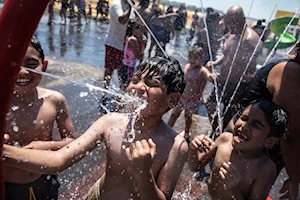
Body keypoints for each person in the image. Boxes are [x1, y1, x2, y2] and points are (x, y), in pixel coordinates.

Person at [3, 56, 188, 200]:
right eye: (136, 79)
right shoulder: (111, 123)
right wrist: (5, 152)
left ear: (173, 100)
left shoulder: (176, 146)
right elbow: (60, 159)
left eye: (151, 83)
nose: (138, 87)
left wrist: (143, 174)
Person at [4, 36, 76, 200]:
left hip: (44, 181)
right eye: (14, 64)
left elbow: (72, 142)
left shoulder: (55, 100)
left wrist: (43, 146)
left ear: (44, 66)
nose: (22, 72)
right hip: (7, 188)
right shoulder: (2, 103)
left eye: (31, 65)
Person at [229, 41, 300, 199]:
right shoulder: (293, 73)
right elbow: (290, 137)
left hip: (247, 145)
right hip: (248, 151)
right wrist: (295, 180)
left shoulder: (289, 59)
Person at [188, 99, 288, 199]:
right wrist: (193, 149)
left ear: (269, 142)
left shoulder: (264, 168)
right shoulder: (225, 139)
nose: (245, 126)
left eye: (255, 125)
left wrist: (233, 191)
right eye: (244, 118)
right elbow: (195, 166)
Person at [205, 5, 263, 135]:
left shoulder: (249, 41)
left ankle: (224, 136)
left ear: (243, 20)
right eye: (228, 23)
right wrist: (215, 62)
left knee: (229, 115)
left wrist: (222, 78)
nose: (230, 27)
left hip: (238, 87)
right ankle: (217, 132)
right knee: (210, 105)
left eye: (232, 23)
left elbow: (249, 75)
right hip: (224, 81)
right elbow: (227, 54)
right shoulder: (233, 34)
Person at [168, 45, 218, 141]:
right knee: (174, 114)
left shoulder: (202, 70)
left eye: (195, 58)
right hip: (181, 97)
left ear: (201, 57)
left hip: (192, 100)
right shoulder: (187, 66)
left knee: (188, 116)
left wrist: (212, 76)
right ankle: (167, 129)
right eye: (190, 57)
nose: (192, 60)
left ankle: (186, 132)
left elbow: (209, 76)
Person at [101, 0, 134, 90]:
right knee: (110, 69)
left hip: (123, 44)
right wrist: (130, 7)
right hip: (113, 42)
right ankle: (104, 89)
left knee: (122, 69)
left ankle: (121, 91)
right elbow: (122, 20)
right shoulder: (116, 4)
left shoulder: (128, 6)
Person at [119, 22, 146, 90]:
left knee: (124, 86)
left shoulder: (134, 39)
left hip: (127, 65)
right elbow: (139, 56)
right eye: (141, 30)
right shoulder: (133, 40)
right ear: (134, 30)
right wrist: (143, 44)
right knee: (127, 86)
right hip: (128, 66)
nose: (142, 33)